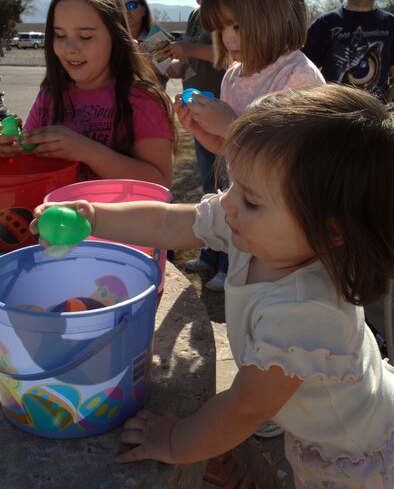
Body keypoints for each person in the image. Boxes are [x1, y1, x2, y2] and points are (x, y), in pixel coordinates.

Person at [32, 84, 394, 489]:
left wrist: (173, 441)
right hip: (330, 424)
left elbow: (242, 410)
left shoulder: (304, 313)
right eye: (234, 184)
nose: (228, 203)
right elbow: (169, 222)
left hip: (356, 458)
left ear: (331, 231)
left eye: (252, 199)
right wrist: (94, 218)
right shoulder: (253, 229)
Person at [0, 0, 175, 187]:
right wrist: (11, 149)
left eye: (85, 36)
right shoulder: (50, 95)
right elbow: (29, 160)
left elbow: (160, 183)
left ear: (115, 36)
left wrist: (86, 151)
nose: (70, 48)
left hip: (118, 221)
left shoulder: (143, 100)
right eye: (60, 35)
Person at [174, 0, 325, 157]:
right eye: (220, 28)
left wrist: (231, 126)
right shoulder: (233, 76)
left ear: (278, 12)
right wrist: (201, 130)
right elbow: (231, 151)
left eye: (236, 26)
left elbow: (296, 164)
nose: (228, 40)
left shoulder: (298, 78)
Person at [165, 0, 228, 292]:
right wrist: (167, 62)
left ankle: (228, 264)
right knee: (209, 188)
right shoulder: (194, 16)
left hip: (220, 115)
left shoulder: (226, 12)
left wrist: (188, 50)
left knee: (226, 190)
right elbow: (188, 65)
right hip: (196, 114)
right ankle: (210, 254)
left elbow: (229, 58)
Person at [303, 0, 394, 102]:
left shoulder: (391, 24)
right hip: (334, 117)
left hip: (376, 119)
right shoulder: (325, 23)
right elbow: (303, 72)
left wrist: (386, 109)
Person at [119, 0, 168, 89]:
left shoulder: (157, 40)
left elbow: (179, 72)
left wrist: (147, 62)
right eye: (120, 7)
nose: (126, 11)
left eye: (131, 5)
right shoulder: (110, 41)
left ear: (143, 10)